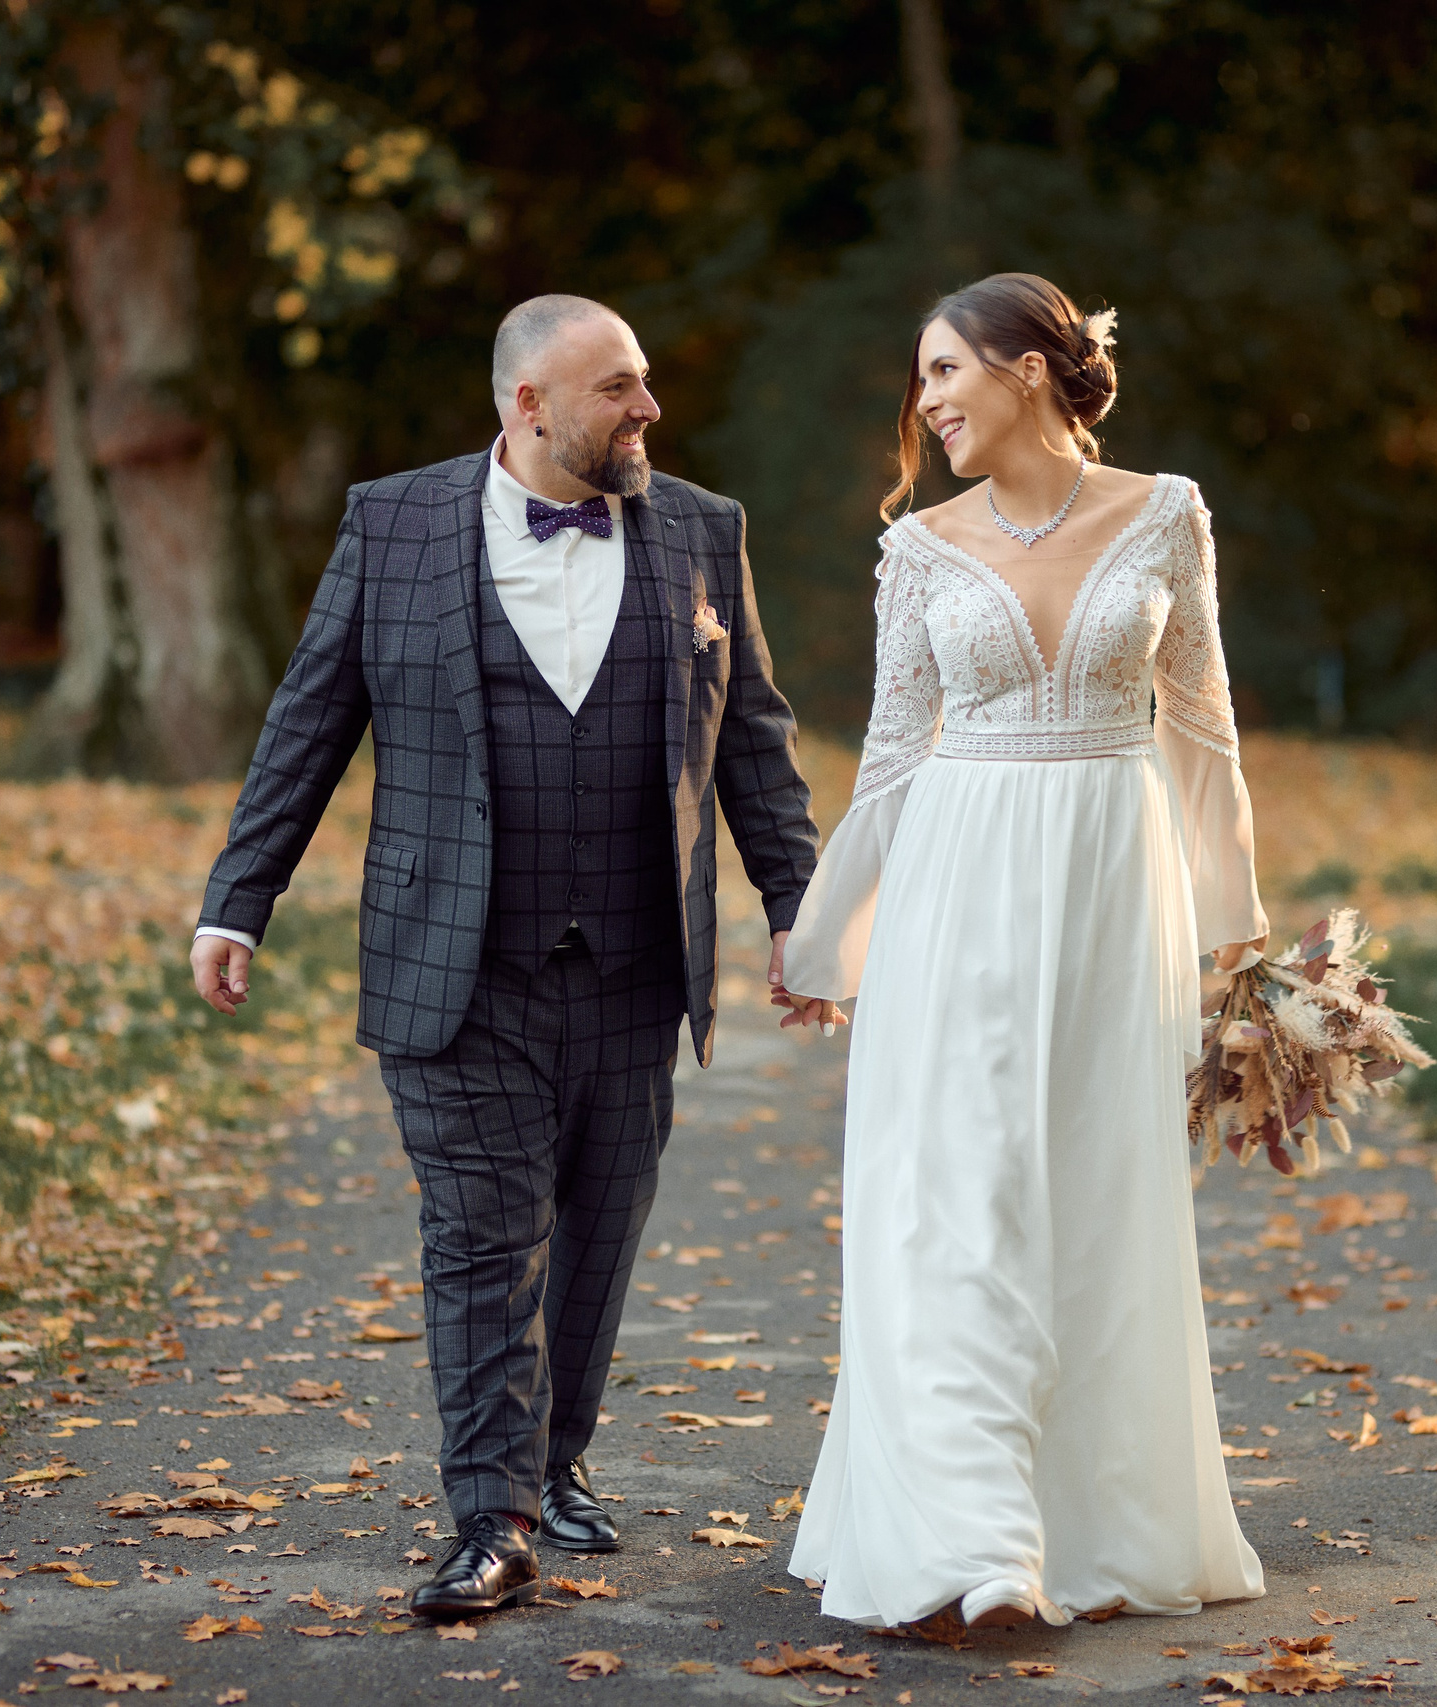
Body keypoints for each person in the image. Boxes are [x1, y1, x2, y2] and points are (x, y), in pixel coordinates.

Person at [189, 295, 834, 1621]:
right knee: (483, 1238)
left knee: (599, 1232)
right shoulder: (396, 521)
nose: (647, 409)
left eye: (645, 382)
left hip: (640, 960)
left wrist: (798, 907)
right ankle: (493, 1517)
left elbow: (752, 741)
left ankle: (557, 1458)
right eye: (616, 390)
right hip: (455, 958)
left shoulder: (705, 532)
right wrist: (238, 897)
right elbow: (309, 716)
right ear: (528, 406)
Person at [776, 273, 1270, 1629]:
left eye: (944, 369)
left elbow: (1205, 734)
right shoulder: (922, 550)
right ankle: (981, 1545)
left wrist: (1242, 948)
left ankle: (1084, 1521)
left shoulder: (1166, 516)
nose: (925, 400)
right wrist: (823, 942)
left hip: (1117, 894)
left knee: (1093, 1194)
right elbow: (887, 762)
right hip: (958, 889)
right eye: (920, 376)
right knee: (962, 1194)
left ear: (1030, 368)